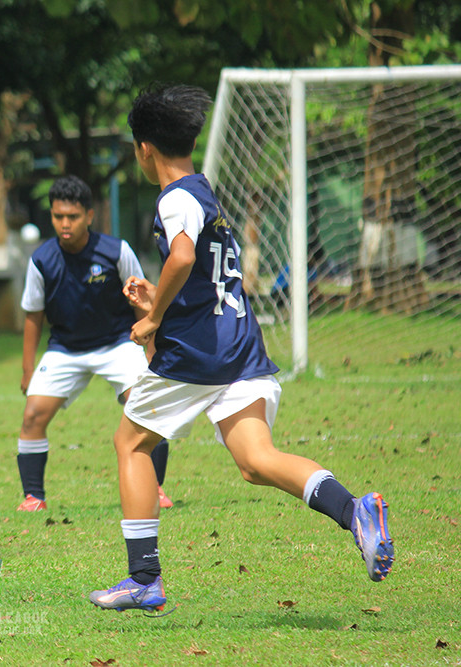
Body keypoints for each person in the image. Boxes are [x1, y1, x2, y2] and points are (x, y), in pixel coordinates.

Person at [88, 84, 393, 612]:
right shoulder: (203, 190)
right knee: (255, 459)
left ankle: (143, 579)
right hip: (241, 346)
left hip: (199, 355)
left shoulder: (175, 197)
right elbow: (202, 273)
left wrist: (154, 316)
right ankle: (356, 511)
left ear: (144, 149)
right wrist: (154, 302)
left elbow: (182, 257)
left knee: (131, 444)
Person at [17, 175, 172, 512]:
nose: (64, 224)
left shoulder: (117, 251)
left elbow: (140, 302)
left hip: (117, 342)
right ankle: (33, 497)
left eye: (72, 217)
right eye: (58, 217)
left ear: (89, 215)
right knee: (32, 417)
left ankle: (155, 488)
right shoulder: (41, 260)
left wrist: (150, 349)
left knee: (147, 406)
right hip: (65, 348)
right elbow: (33, 315)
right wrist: (28, 369)